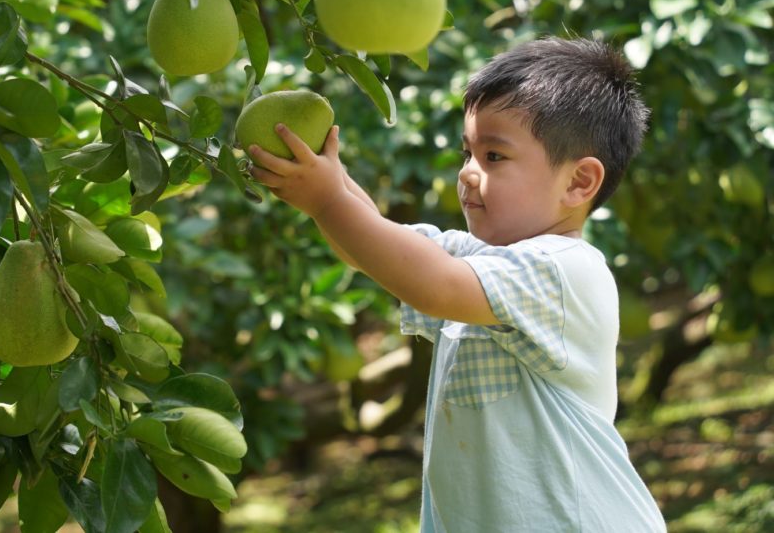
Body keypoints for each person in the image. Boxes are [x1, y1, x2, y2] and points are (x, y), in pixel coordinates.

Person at [247, 37, 667, 532]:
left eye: (494, 156)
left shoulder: (565, 271)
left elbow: (434, 284)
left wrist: (325, 201)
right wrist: (328, 182)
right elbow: (376, 247)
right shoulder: (482, 259)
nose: (468, 174)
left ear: (578, 183)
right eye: (467, 152)